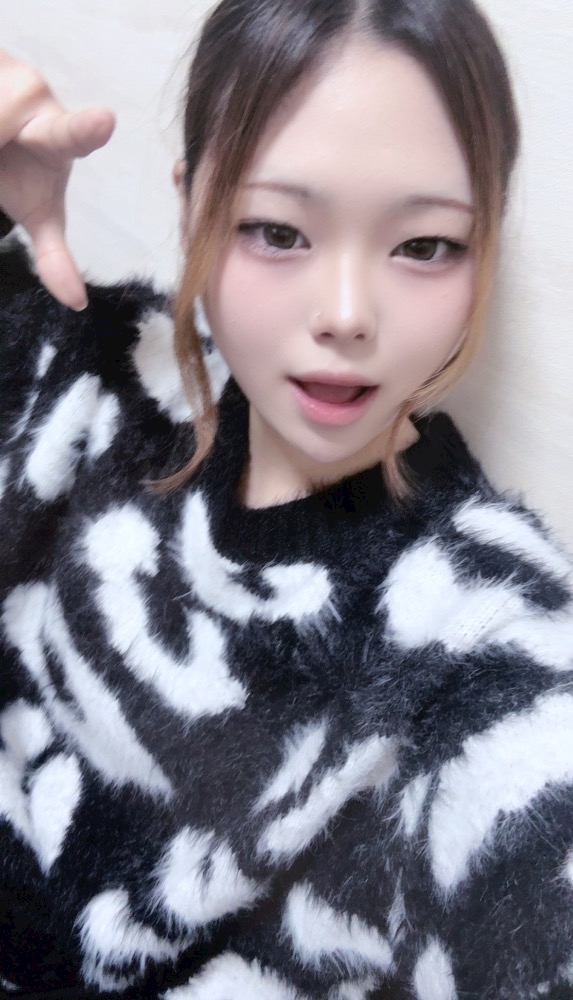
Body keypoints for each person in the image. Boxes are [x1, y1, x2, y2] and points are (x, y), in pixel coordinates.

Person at [0, 2, 572, 998]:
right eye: (277, 231)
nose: (345, 315)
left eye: (424, 245)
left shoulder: (487, 648)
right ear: (191, 208)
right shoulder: (99, 375)